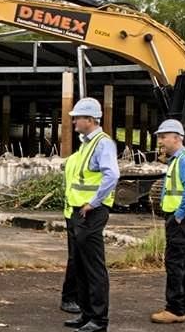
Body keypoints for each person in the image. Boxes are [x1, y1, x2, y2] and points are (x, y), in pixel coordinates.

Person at [62, 98, 119, 332]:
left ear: (90, 120)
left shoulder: (102, 144)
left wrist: (93, 203)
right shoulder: (86, 144)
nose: (73, 121)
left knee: (94, 268)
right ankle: (86, 314)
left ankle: (99, 320)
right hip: (78, 213)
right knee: (82, 267)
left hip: (91, 213)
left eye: (77, 117)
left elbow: (112, 176)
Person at [150, 119, 185, 325]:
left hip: (181, 218)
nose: (160, 141)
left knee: (175, 262)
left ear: (176, 138)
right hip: (184, 217)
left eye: (163, 137)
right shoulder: (178, 160)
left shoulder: (184, 160)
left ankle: (174, 309)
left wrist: (178, 215)